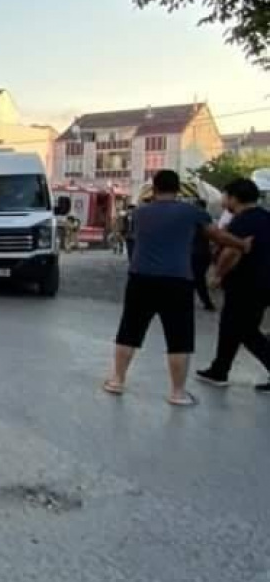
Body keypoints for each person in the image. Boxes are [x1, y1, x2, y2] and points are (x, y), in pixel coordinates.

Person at [104, 170, 252, 407]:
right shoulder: (192, 212)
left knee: (129, 330)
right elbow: (217, 235)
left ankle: (117, 381)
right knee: (179, 337)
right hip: (177, 281)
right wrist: (242, 244)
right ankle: (177, 393)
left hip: (140, 278)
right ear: (178, 189)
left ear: (154, 188)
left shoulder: (140, 213)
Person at [196, 178, 270, 392]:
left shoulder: (243, 220)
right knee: (231, 327)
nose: (222, 200)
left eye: (225, 196)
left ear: (234, 198)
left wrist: (217, 275)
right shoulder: (265, 217)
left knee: (245, 331)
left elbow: (232, 251)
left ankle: (220, 369)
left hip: (246, 284)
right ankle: (219, 369)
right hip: (262, 284)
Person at [190, 200, 216, 311]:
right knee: (197, 278)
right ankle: (206, 303)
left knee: (197, 279)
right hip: (202, 252)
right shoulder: (206, 217)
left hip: (197, 253)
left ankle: (207, 303)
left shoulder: (198, 217)